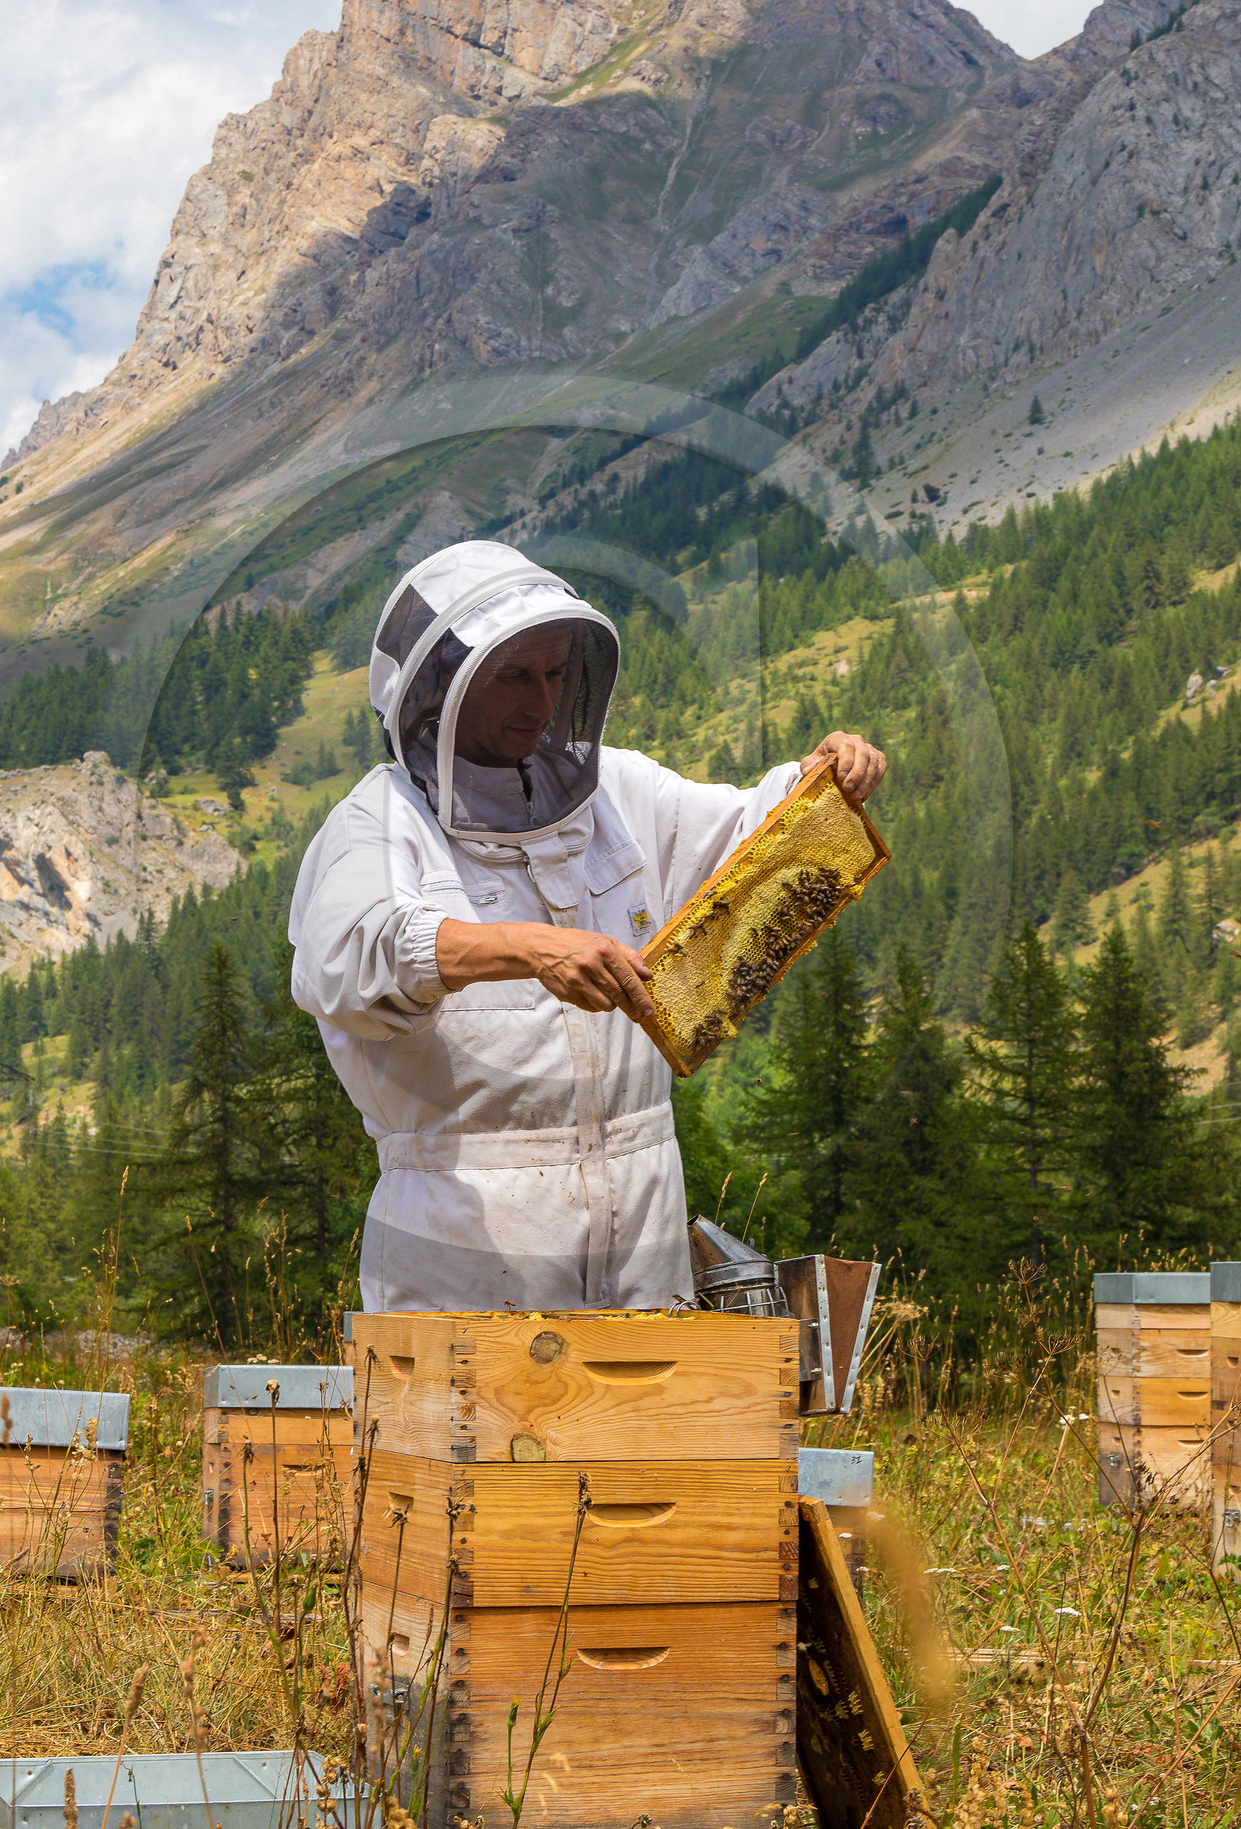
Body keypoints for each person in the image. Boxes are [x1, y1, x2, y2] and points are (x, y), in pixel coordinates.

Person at [289, 541, 886, 1313]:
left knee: (636, 1430)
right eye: (513, 675)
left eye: (556, 673)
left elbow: (746, 843)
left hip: (644, 1222)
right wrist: (528, 949)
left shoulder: (619, 792)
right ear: (441, 685)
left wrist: (820, 779)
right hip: (467, 1247)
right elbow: (347, 963)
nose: (540, 702)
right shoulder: (376, 827)